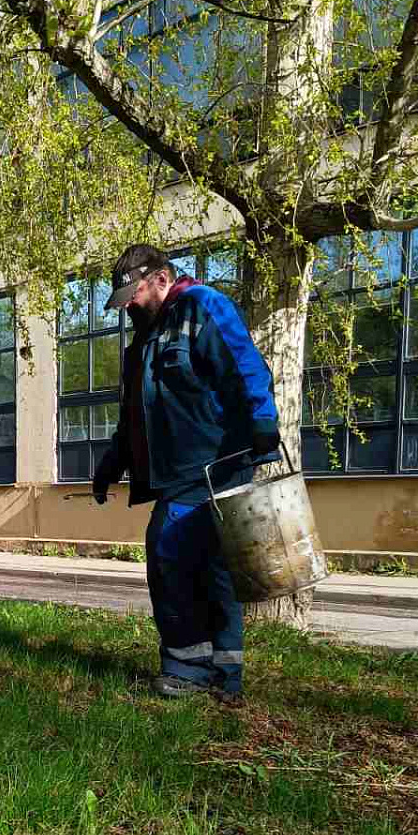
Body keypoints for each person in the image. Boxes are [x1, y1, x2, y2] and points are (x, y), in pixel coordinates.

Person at [92, 244, 280, 700]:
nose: (129, 307)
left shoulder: (203, 306)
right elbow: (135, 413)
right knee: (212, 567)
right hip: (177, 471)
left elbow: (245, 366)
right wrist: (115, 459)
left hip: (217, 462)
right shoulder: (142, 343)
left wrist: (262, 420)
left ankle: (190, 669)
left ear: (159, 278)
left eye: (133, 295)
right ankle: (222, 674)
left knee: (170, 552)